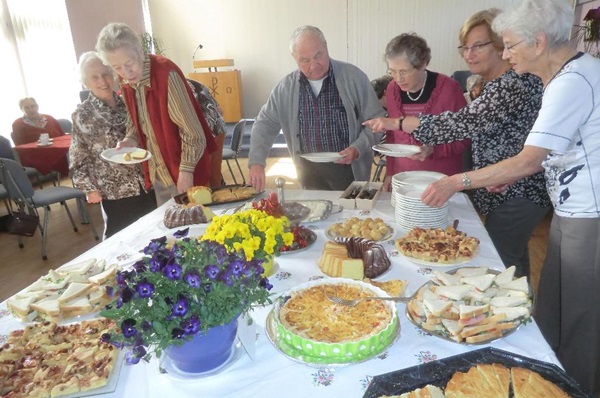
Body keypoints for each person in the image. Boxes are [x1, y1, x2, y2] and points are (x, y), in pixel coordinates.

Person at [416, 0, 600, 394]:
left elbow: (529, 160)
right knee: (551, 305)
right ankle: (539, 374)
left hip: (590, 214)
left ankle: (572, 388)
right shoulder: (562, 76)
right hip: (570, 210)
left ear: (538, 41)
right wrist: (499, 174)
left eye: (511, 45)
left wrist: (456, 182)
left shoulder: (573, 79)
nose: (506, 53)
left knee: (582, 316)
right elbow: (545, 152)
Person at [364, 9, 551, 279]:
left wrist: (397, 123)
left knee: (498, 260)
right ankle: (522, 308)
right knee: (512, 260)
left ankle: (513, 316)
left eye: (478, 46)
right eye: (465, 47)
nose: (468, 54)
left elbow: (460, 125)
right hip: (501, 184)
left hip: (518, 188)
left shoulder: (512, 84)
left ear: (501, 46)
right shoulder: (498, 84)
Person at [248, 25, 384, 191]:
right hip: (308, 173)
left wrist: (357, 147)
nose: (314, 65)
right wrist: (256, 162)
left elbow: (377, 121)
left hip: (349, 170)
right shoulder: (285, 88)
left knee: (351, 216)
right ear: (294, 58)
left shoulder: (354, 78)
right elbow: (264, 125)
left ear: (326, 47)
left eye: (318, 56)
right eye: (304, 60)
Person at [95, 23, 217, 206]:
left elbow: (193, 131)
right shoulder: (126, 80)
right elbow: (136, 120)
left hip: (184, 169)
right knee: (171, 227)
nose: (125, 73)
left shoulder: (166, 74)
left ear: (139, 51)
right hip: (159, 171)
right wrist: (130, 140)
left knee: (198, 225)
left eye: (129, 64)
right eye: (117, 67)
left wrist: (186, 170)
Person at [69, 52, 156, 239]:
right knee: (122, 240)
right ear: (85, 82)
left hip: (146, 182)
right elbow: (77, 158)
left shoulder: (129, 102)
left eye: (106, 73)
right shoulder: (82, 114)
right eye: (94, 77)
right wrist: (89, 188)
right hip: (114, 190)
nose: (103, 81)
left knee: (153, 233)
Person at [377, 33, 469, 191]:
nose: (398, 78)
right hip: (404, 180)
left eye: (404, 71)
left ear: (422, 64)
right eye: (392, 71)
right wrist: (390, 173)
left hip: (441, 182)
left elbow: (465, 138)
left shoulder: (449, 89)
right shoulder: (392, 89)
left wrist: (434, 150)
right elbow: (392, 135)